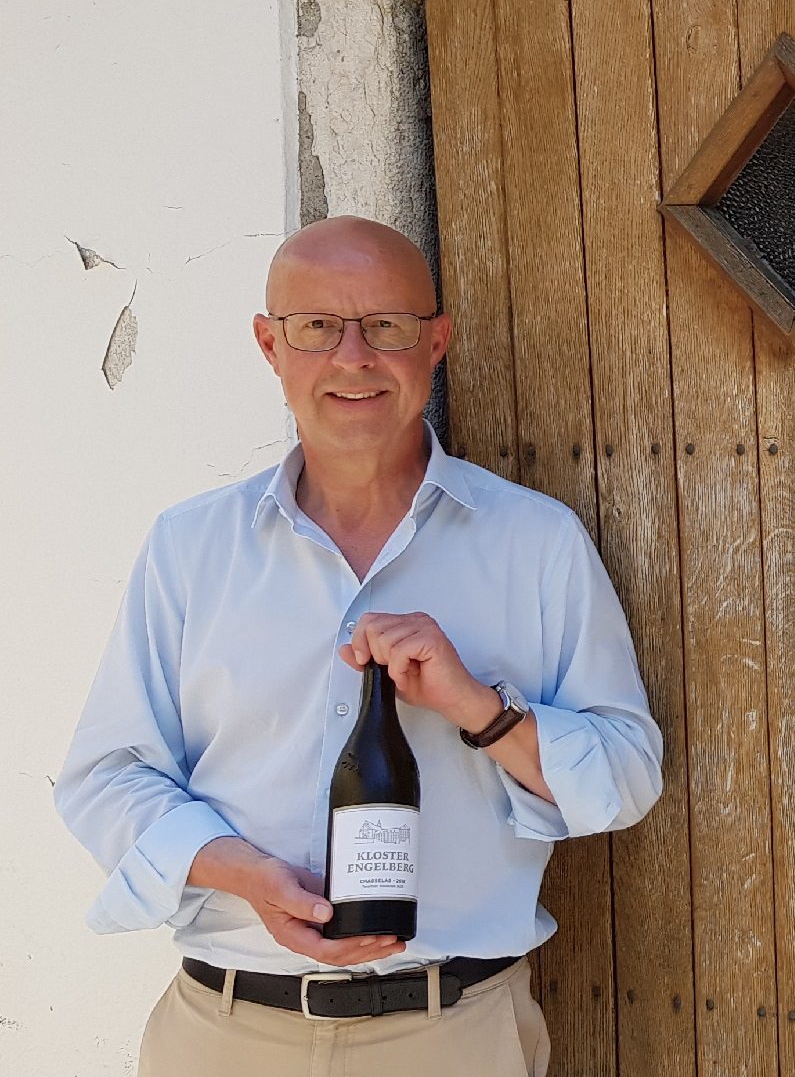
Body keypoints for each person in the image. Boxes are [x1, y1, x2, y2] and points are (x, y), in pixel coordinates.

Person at [54, 216, 663, 1077]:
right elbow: (107, 777)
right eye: (316, 328)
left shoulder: (536, 544)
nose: (353, 356)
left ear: (436, 342)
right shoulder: (190, 549)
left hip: (451, 1037)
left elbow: (628, 774)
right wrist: (239, 873)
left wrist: (479, 710)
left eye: (386, 325)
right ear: (269, 345)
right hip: (225, 1035)